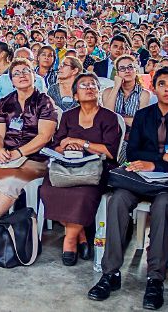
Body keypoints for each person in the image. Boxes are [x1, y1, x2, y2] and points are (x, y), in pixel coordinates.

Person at [89, 67, 168, 310]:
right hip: (139, 180)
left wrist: (157, 162)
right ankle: (110, 273)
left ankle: (155, 278)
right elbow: (133, 152)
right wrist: (162, 158)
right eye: (162, 84)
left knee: (162, 207)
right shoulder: (143, 116)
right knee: (117, 200)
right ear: (154, 88)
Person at [0, 58, 57, 252]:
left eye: (26, 71)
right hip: (6, 155)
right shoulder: (6, 102)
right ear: (11, 80)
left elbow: (44, 136)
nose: (22, 75)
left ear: (34, 75)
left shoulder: (44, 101)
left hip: (34, 158)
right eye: (16, 73)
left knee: (10, 181)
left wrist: (19, 153)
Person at [39, 73, 121, 264]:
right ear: (75, 95)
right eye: (84, 85)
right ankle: (81, 234)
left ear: (99, 92)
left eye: (93, 85)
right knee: (48, 189)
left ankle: (69, 241)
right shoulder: (68, 116)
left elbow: (110, 152)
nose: (90, 88)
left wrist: (81, 142)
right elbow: (57, 145)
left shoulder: (109, 117)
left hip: (94, 170)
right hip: (67, 168)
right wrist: (67, 146)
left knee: (82, 194)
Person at [101, 54, 152, 128]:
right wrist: (116, 87)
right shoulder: (108, 92)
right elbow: (107, 117)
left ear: (136, 70)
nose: (127, 71)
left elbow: (141, 122)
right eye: (122, 68)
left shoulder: (144, 94)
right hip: (111, 135)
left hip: (134, 135)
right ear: (117, 73)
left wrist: (116, 118)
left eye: (130, 67)